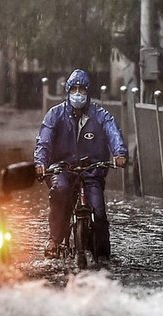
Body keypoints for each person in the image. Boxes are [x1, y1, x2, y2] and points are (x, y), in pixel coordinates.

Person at [34, 68, 128, 260]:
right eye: (74, 89)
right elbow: (44, 141)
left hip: (92, 170)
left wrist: (120, 153)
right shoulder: (55, 115)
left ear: (88, 93)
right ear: (68, 92)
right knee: (60, 192)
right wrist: (40, 163)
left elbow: (113, 133)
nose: (78, 94)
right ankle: (55, 239)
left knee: (99, 212)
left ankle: (102, 257)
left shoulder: (101, 115)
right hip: (62, 169)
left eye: (82, 90)